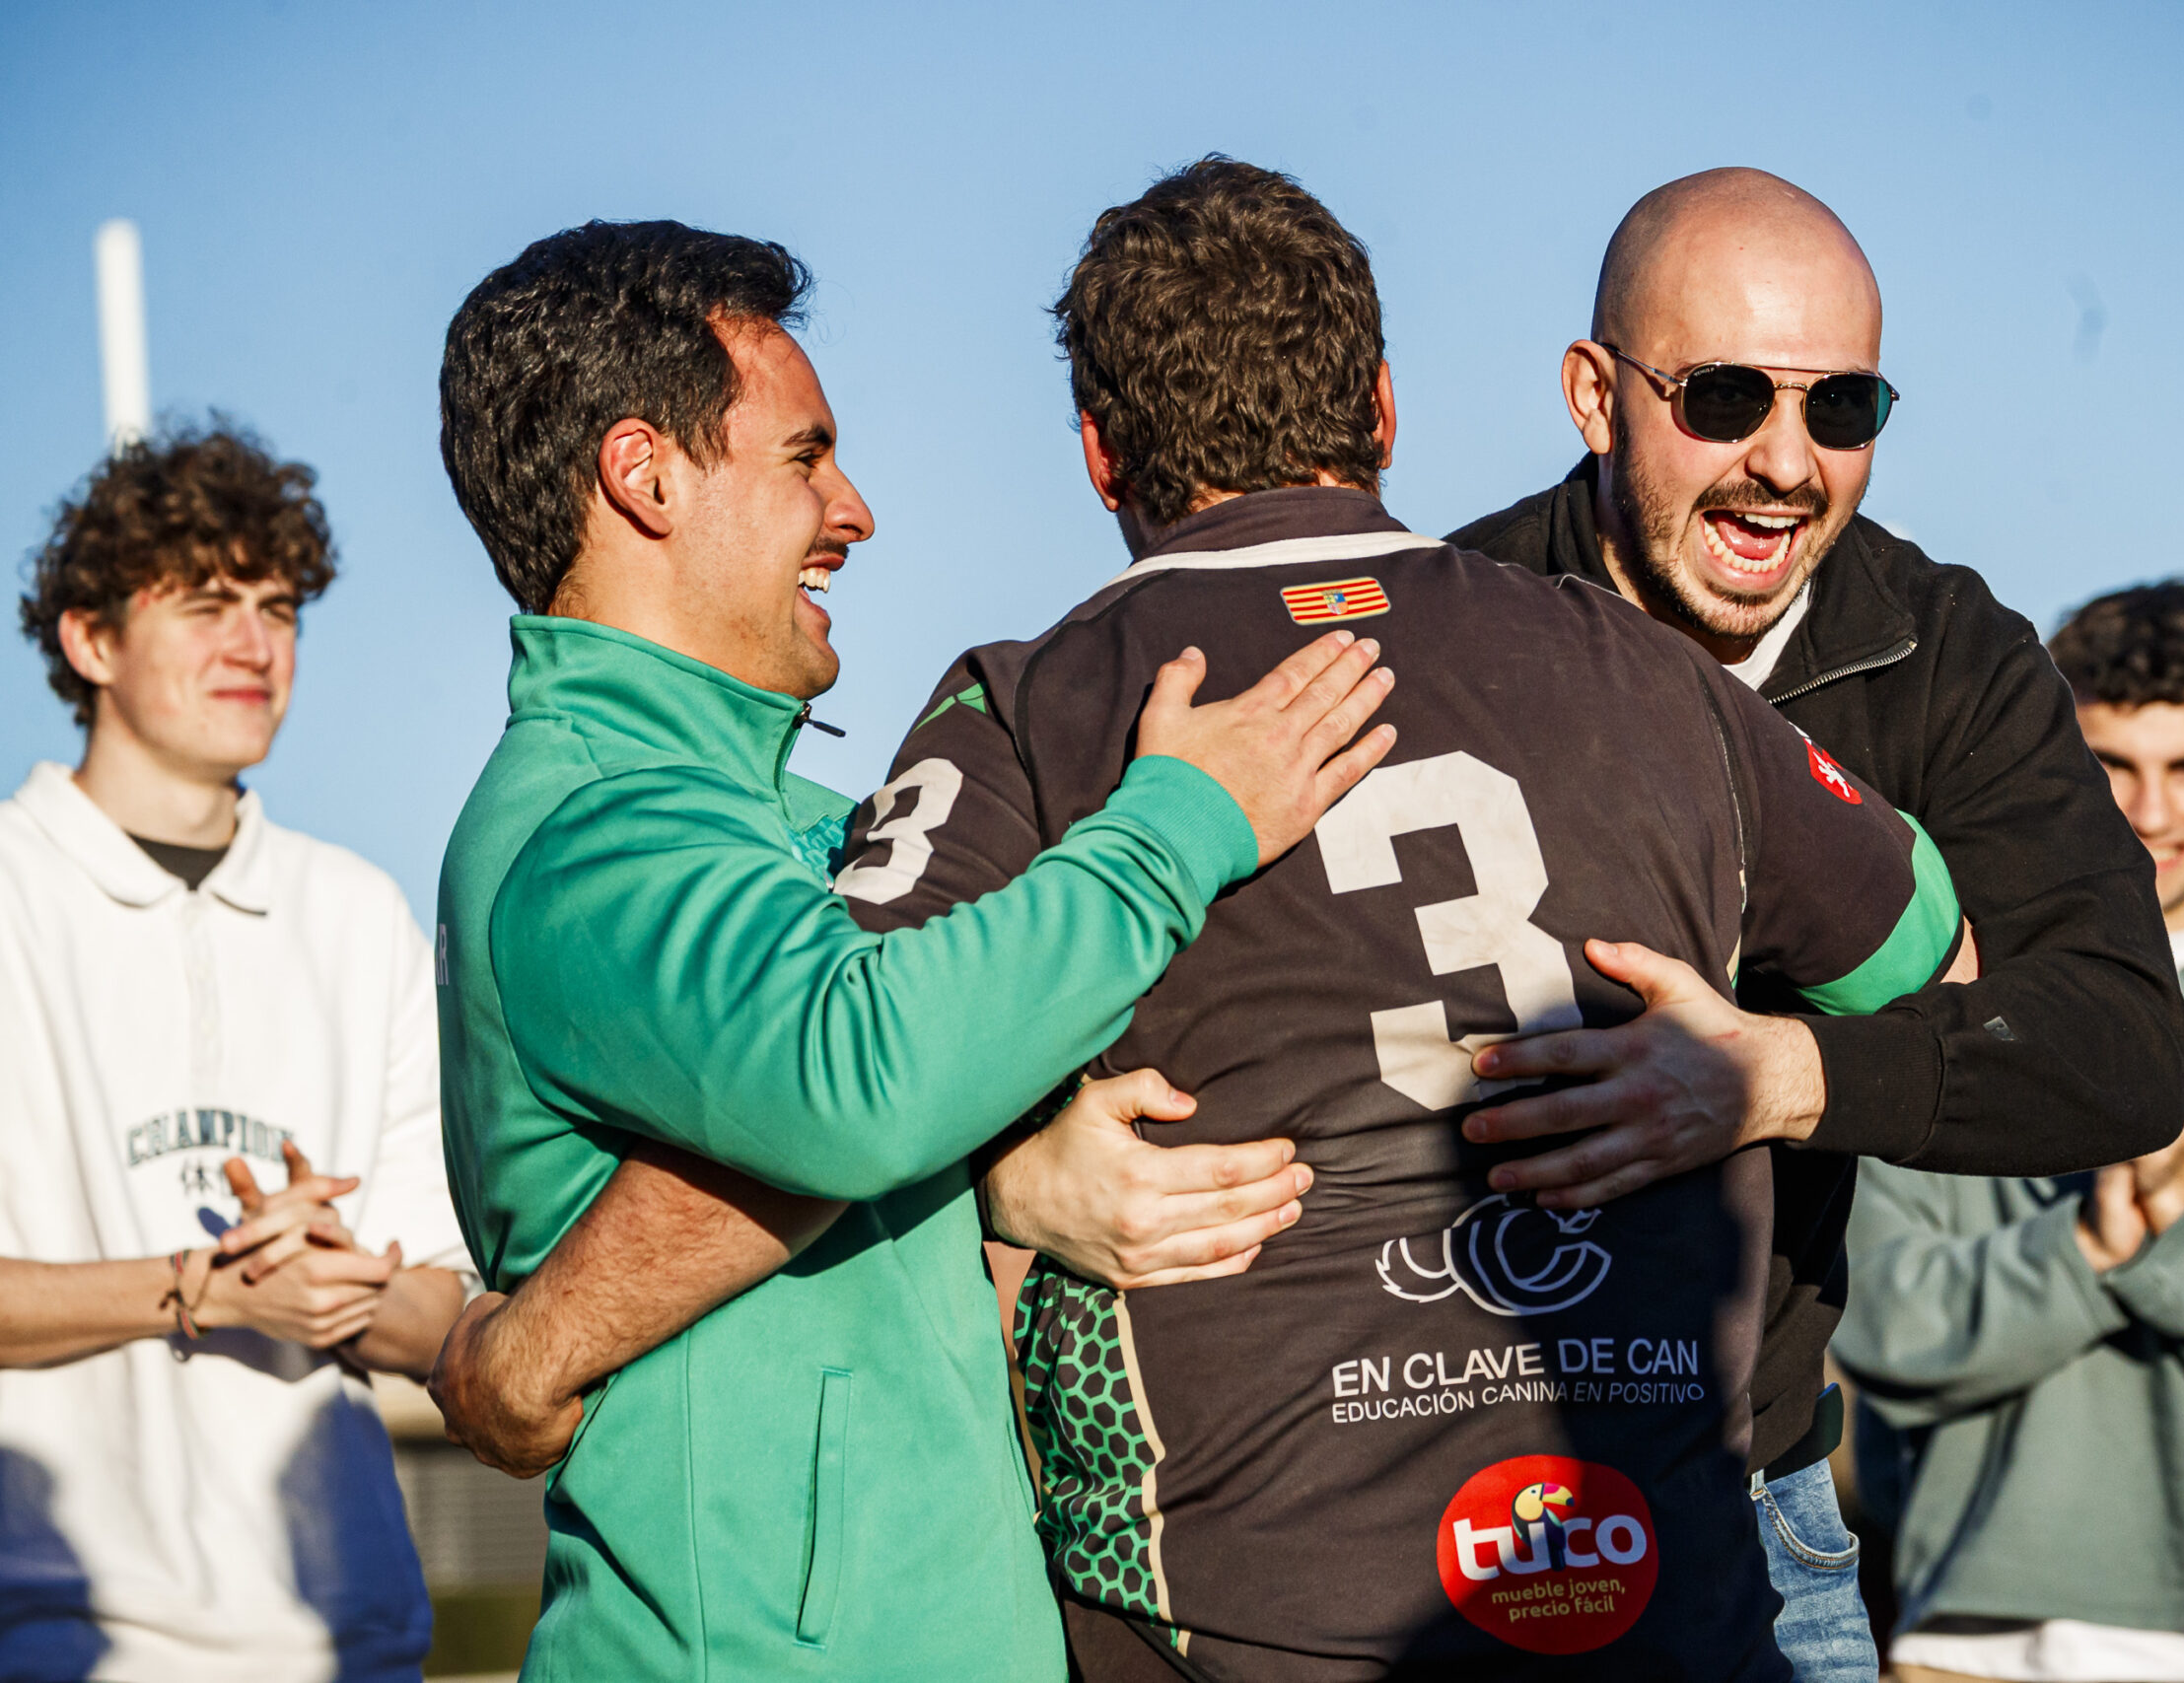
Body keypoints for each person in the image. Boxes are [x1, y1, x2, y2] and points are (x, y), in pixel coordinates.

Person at [445, 158, 1973, 1679]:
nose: (853, 504)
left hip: (1235, 1616)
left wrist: (537, 1341)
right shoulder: (1658, 678)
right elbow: (1939, 963)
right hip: (1654, 1597)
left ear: (1103, 457)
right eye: (807, 455)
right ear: (1381, 407)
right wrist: (1765, 1058)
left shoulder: (1033, 704)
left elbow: (874, 1055)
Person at [429, 218, 1398, 1681]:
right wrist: (1182, 822)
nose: (856, 509)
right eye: (805, 456)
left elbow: (895, 1078)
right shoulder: (592, 828)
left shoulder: (775, 818)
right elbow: (857, 1071)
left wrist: (1013, 1159)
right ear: (644, 475)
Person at [1444, 168, 2184, 1677]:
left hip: (1757, 1508)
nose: (1787, 464)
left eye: (1841, 408)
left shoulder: (1946, 653)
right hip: (1423, 1494)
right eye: (1724, 397)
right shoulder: (1443, 609)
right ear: (1596, 393)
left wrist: (1779, 1075)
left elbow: (2119, 1045)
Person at [1837, 583, 2184, 1683]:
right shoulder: (1939, 991)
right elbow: (1883, 1332)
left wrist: (2177, 1204)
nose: (2150, 810)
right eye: (2109, 766)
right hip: (1973, 1635)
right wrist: (2090, 1242)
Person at [0, 426, 474, 1682]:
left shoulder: (355, 910)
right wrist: (202, 1286)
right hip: (55, 1641)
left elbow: (444, 1314)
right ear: (89, 639)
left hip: (351, 1640)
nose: (254, 645)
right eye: (206, 603)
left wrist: (346, 1288)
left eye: (278, 607)